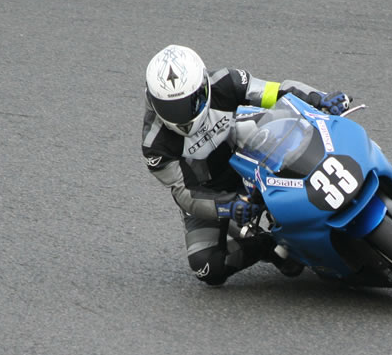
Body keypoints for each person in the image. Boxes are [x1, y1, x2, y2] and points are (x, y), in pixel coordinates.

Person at [141, 43, 352, 286]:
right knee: (206, 267)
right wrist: (228, 206)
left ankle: (345, 174)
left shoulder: (226, 82)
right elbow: (184, 194)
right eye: (171, 108)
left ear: (204, 86)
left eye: (190, 101)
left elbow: (277, 92)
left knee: (287, 124)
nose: (183, 115)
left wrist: (320, 98)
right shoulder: (154, 146)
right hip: (208, 191)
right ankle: (270, 245)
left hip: (250, 153)